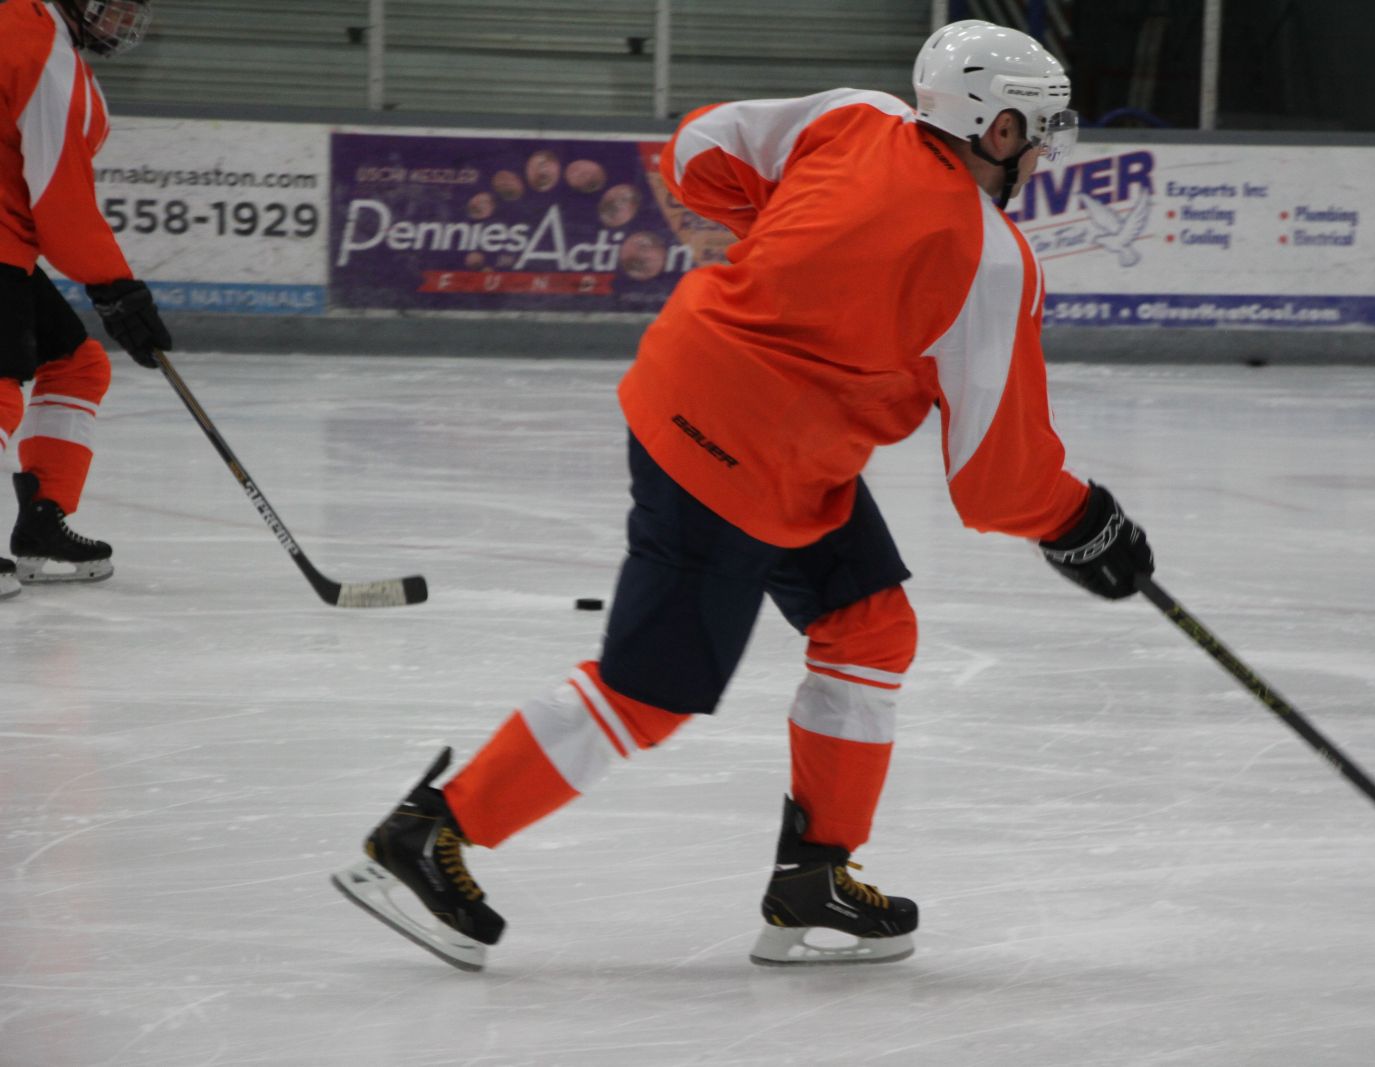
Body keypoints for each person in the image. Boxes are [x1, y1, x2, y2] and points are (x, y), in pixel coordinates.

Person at [332, 19, 1155, 970]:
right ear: (998, 129)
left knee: (869, 626)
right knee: (650, 688)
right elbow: (996, 478)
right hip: (732, 451)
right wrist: (1084, 523)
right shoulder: (992, 260)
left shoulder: (855, 117)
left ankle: (813, 876)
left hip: (757, 427)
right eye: (1038, 133)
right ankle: (428, 835)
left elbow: (696, 154)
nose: (1044, 155)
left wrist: (798, 239)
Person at [1, 0, 172, 600]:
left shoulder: (18, 23)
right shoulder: (42, 52)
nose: (128, 24)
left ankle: (41, 524)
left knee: (76, 363)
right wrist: (116, 288)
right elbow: (60, 199)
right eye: (120, 7)